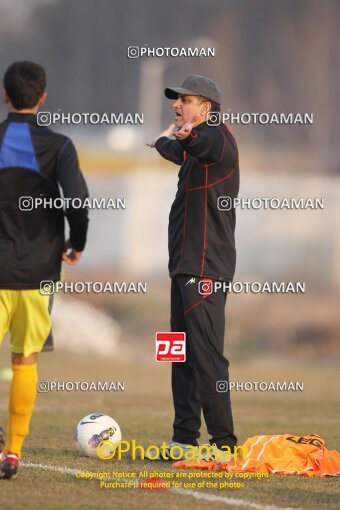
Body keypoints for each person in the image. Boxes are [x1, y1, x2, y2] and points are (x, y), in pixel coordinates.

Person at [0, 61, 89, 479]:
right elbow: (78, 202)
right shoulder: (59, 146)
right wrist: (77, 244)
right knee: (25, 359)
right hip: (38, 271)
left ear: (5, 96)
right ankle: (13, 451)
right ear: (43, 97)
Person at [148, 75, 239, 460]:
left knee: (206, 355)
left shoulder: (216, 135)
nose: (176, 105)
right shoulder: (195, 144)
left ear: (205, 108)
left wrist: (186, 138)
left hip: (204, 269)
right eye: (176, 100)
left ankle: (224, 445)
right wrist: (168, 141)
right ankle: (184, 438)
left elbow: (199, 144)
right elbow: (178, 150)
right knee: (179, 352)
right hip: (184, 267)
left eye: (183, 100)